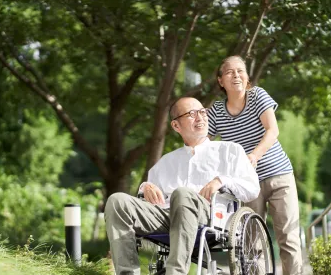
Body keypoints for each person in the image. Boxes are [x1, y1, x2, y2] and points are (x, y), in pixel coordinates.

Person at [104, 97, 260, 275]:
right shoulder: (165, 162)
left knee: (182, 194)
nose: (200, 118)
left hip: (209, 215)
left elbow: (252, 188)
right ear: (176, 126)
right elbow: (151, 198)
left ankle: (175, 272)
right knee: (117, 201)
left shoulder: (230, 150)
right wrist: (145, 187)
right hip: (166, 217)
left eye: (202, 112)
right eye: (191, 114)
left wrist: (221, 180)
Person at [207, 56, 302, 275]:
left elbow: (273, 130)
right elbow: (204, 143)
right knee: (251, 241)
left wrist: (254, 156)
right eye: (230, 72)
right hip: (247, 183)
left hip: (279, 175)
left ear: (247, 76)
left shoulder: (258, 95)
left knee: (288, 237)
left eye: (240, 70)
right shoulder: (217, 112)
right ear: (221, 81)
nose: (236, 75)